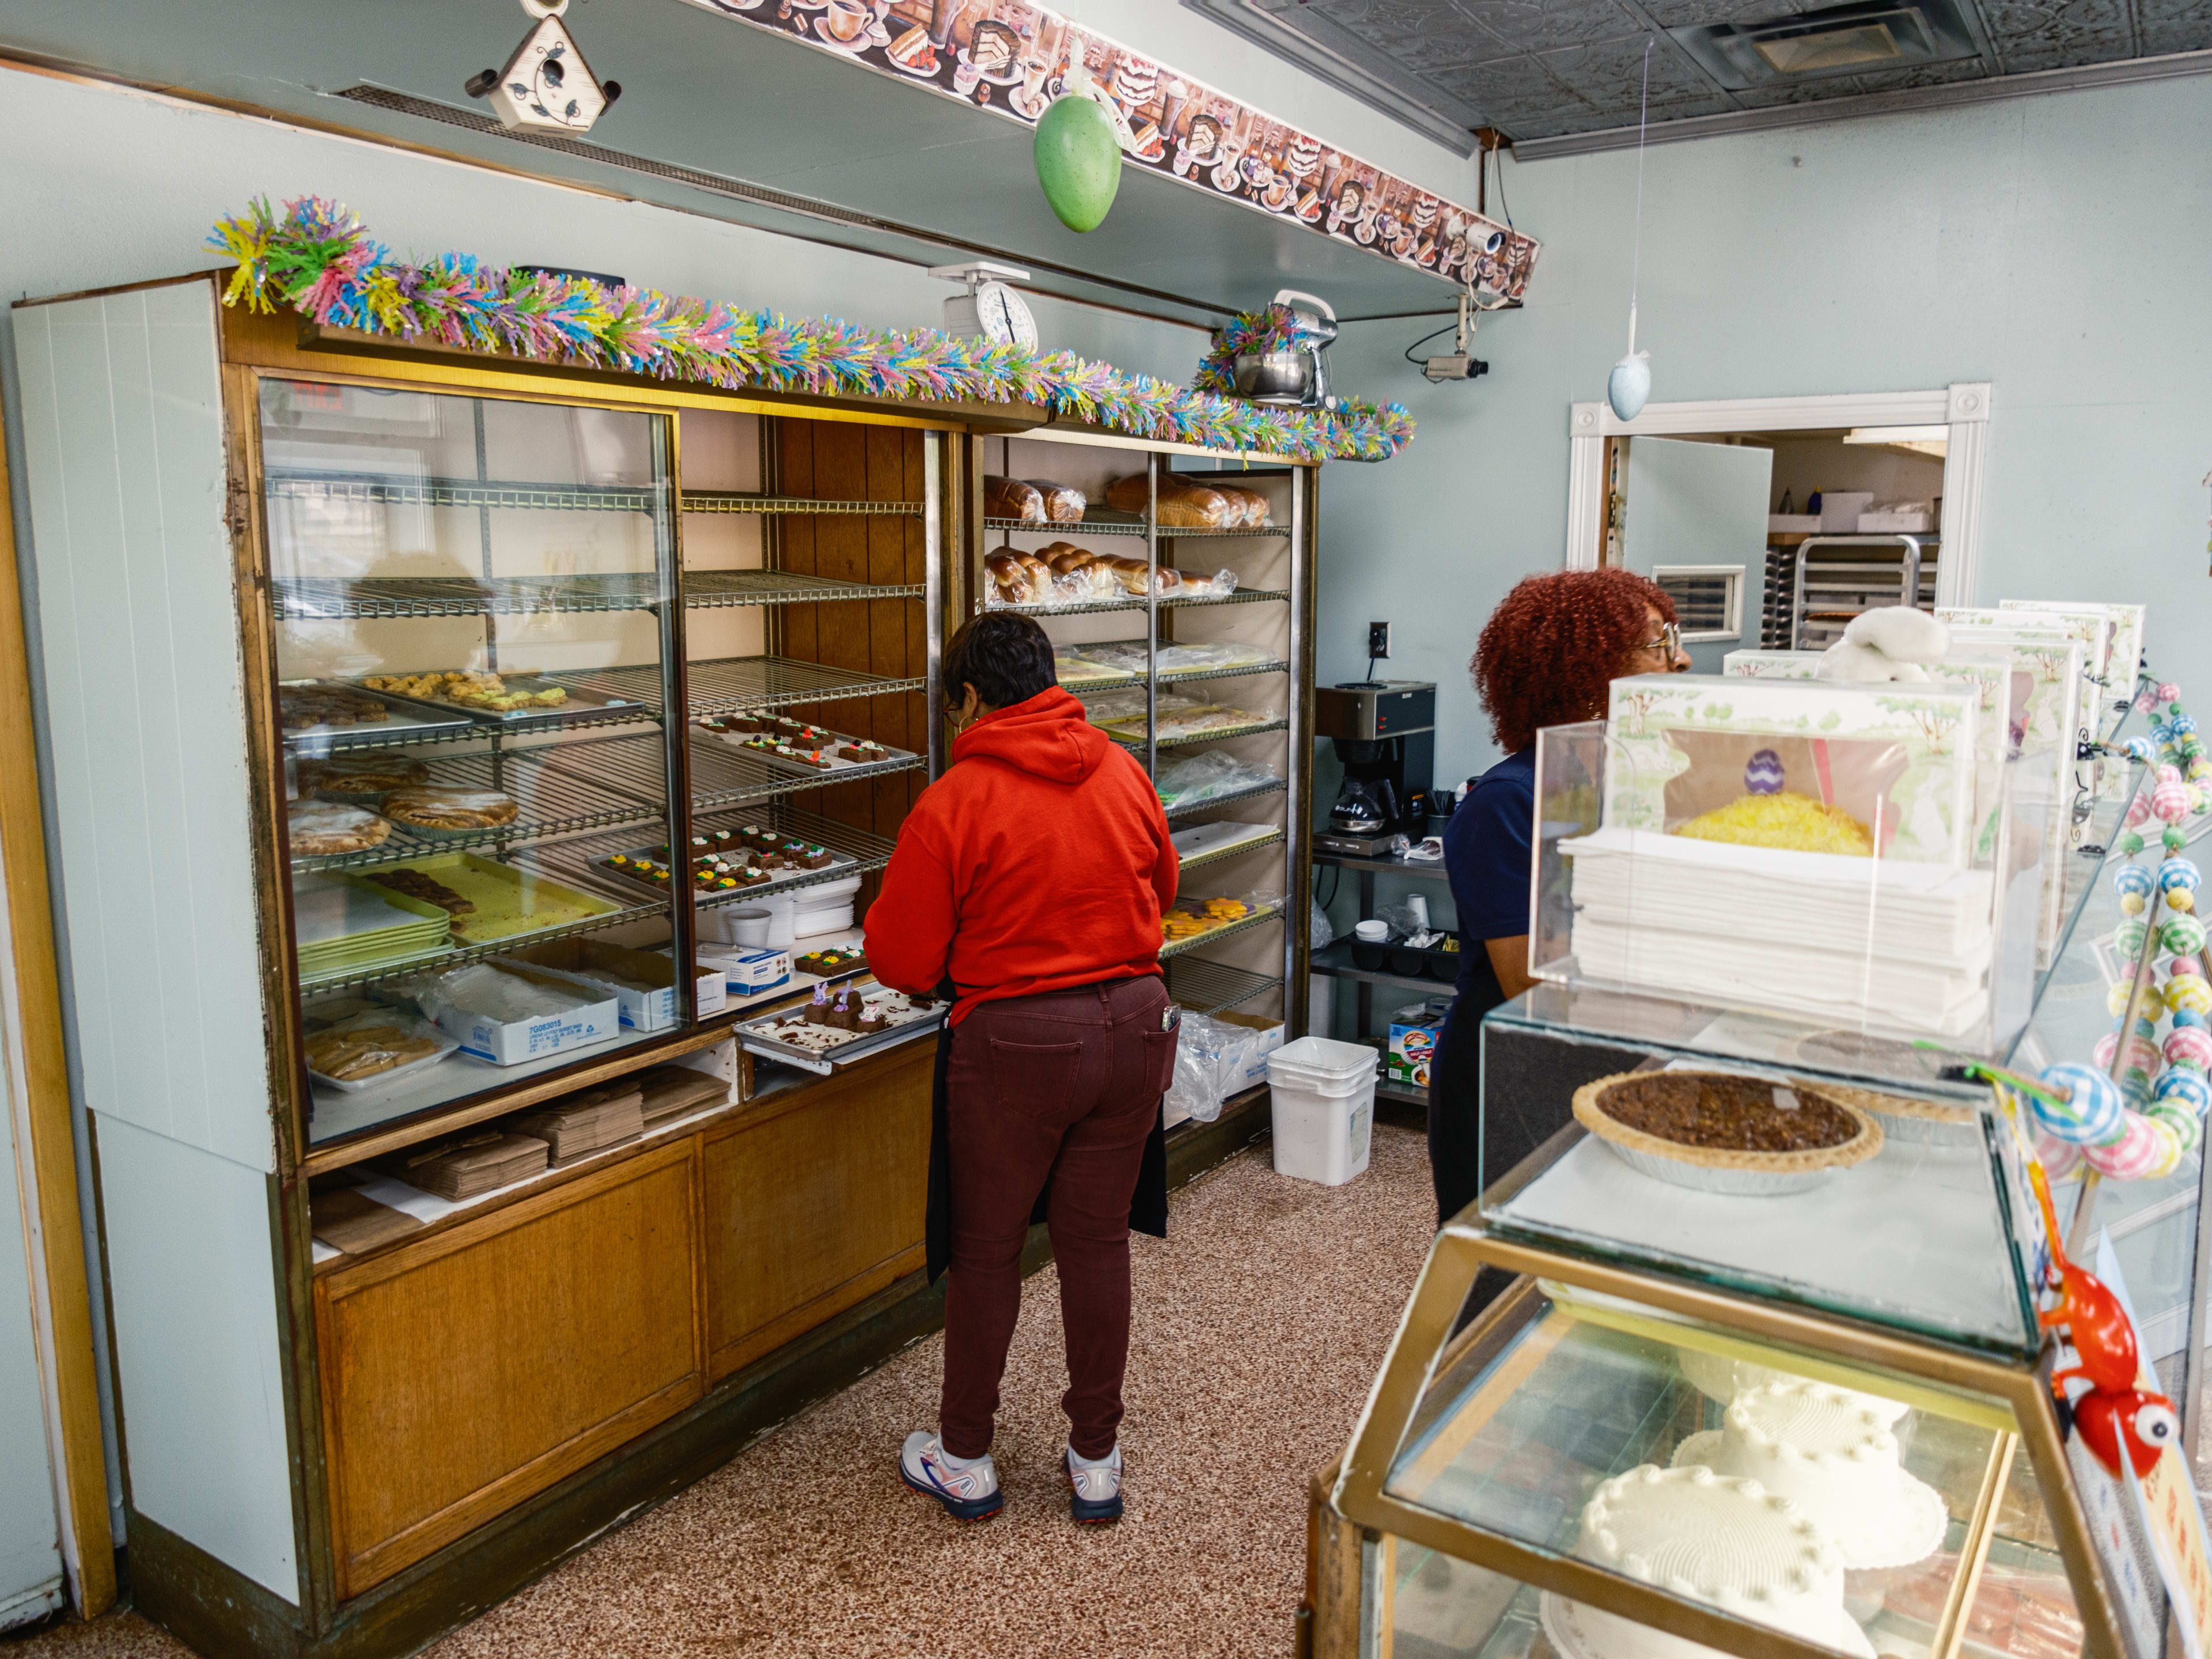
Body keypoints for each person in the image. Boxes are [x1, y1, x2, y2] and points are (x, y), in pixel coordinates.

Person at [866, 612, 1180, 1527]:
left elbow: (902, 961)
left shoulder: (955, 799)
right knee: (1095, 1242)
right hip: (1136, 1025)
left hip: (1019, 1045)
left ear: (966, 696)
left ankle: (964, 1457)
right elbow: (1158, 892)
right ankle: (1095, 1461)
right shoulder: (1122, 769)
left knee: (989, 1251)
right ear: (1049, 677)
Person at [1427, 570, 1690, 1233]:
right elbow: (1531, 981)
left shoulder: (1633, 780)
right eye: (1658, 643)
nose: (1680, 659)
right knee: (1502, 1264)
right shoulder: (1510, 801)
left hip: (1609, 1058)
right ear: (1590, 668)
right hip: (1514, 1075)